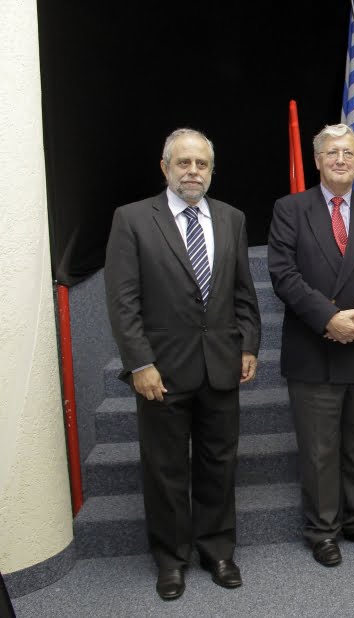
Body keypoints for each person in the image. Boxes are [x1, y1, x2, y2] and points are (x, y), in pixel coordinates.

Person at [104, 128, 261, 600]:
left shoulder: (231, 219)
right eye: (184, 163)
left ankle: (217, 550)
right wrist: (139, 364)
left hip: (221, 366)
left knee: (219, 463)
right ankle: (171, 559)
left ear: (211, 170)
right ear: (165, 167)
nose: (193, 171)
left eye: (202, 164)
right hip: (161, 373)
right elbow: (122, 301)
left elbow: (243, 294)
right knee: (165, 468)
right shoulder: (132, 219)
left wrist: (248, 346)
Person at [268, 123, 354, 567]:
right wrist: (329, 318)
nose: (340, 159)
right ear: (318, 160)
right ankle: (322, 529)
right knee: (319, 448)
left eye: (348, 152)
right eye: (331, 153)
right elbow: (283, 275)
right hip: (315, 347)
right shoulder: (290, 208)